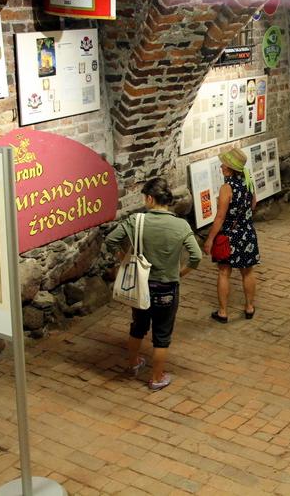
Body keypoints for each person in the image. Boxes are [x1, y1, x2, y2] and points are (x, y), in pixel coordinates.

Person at [106, 177, 202, 391]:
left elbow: (111, 240)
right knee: (162, 335)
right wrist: (181, 273)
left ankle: (133, 363)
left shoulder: (136, 221)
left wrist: (123, 258)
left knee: (138, 327)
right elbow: (196, 256)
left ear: (150, 198)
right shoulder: (181, 225)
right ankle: (157, 378)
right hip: (167, 287)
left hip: (140, 286)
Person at [203, 147, 260, 323]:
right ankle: (249, 307)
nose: (221, 167)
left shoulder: (226, 188)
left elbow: (220, 217)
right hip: (247, 232)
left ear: (229, 168)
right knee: (247, 272)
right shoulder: (248, 182)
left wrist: (210, 239)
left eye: (223, 164)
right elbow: (253, 204)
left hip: (229, 236)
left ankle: (223, 312)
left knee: (224, 272)